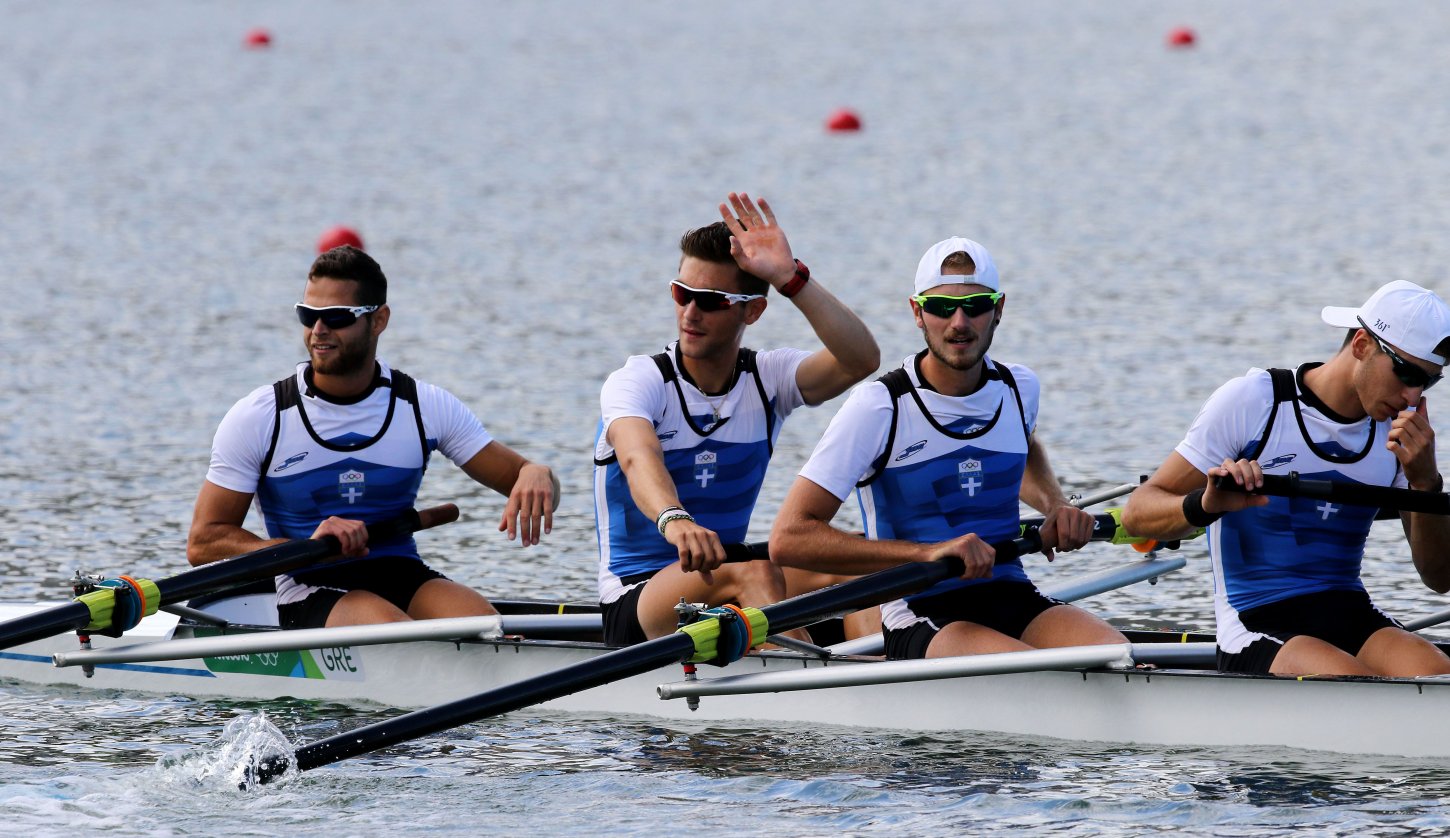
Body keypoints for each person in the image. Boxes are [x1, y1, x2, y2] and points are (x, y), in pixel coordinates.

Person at [769, 237, 1125, 659]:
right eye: (941, 307)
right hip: (920, 609)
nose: (959, 322)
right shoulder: (880, 406)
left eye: (975, 306)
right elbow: (789, 537)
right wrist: (928, 553)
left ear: (999, 309)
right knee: (1024, 668)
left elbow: (1024, 445)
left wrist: (1056, 505)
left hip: (1011, 593)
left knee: (1117, 655)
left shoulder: (1019, 388)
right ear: (917, 312)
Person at [187, 246, 559, 629]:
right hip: (308, 583)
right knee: (392, 629)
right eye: (308, 315)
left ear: (379, 320)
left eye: (336, 317)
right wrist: (300, 549)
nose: (318, 330)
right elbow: (202, 543)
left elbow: (535, 488)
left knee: (490, 629)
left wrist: (537, 473)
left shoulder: (423, 406)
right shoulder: (261, 417)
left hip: (400, 572)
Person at [1122, 280, 1450, 677]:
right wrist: (1205, 505)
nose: (1413, 396)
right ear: (1362, 345)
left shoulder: (1398, 435)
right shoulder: (1254, 402)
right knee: (1352, 684)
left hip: (1351, 614)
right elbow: (1137, 514)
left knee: (1439, 677)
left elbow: (1439, 578)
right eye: (1406, 373)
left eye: (1428, 381)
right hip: (1256, 620)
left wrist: (1426, 483)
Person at [594, 192, 880, 645]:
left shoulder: (768, 379)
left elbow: (860, 359)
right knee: (752, 570)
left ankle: (882, 668)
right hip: (639, 599)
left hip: (724, 576)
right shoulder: (638, 381)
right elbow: (637, 457)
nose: (690, 313)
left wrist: (790, 279)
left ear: (753, 309)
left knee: (865, 560)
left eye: (710, 301)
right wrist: (675, 519)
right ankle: (811, 677)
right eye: (682, 294)